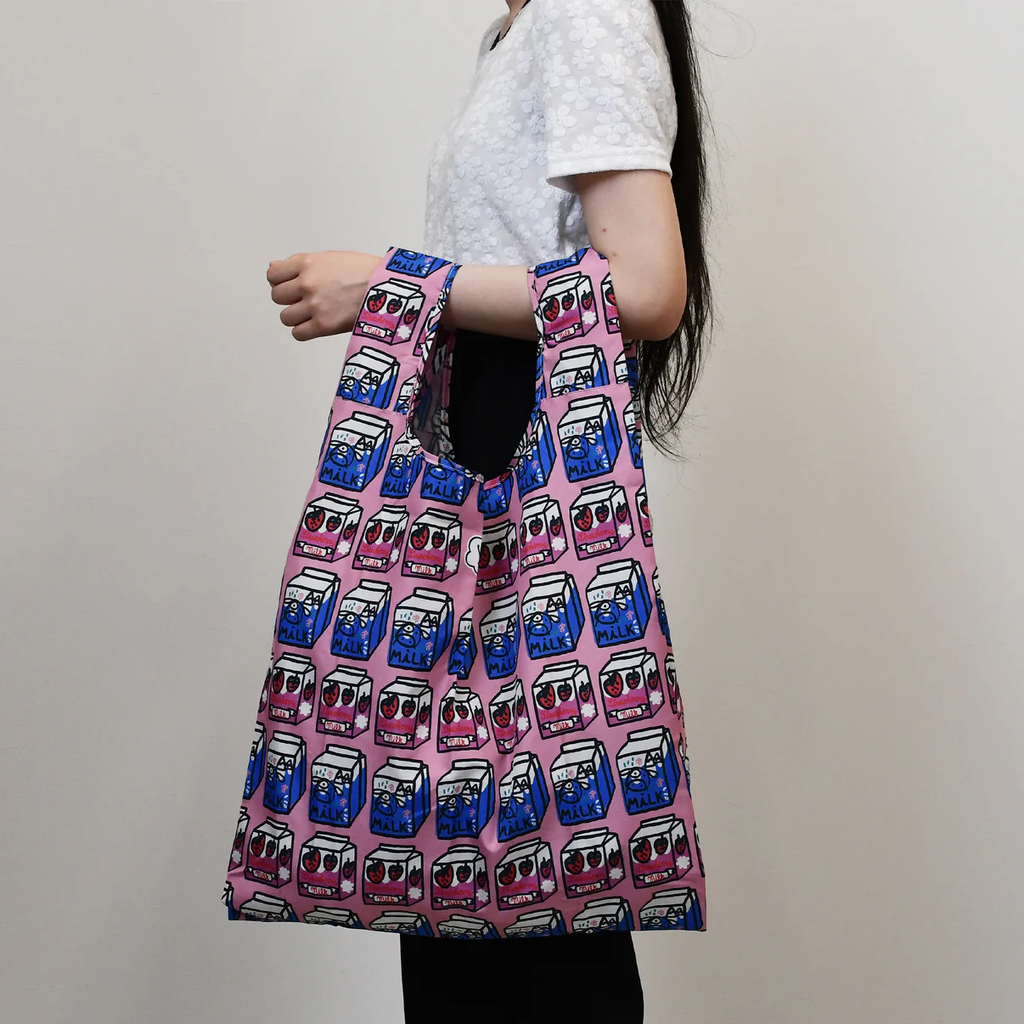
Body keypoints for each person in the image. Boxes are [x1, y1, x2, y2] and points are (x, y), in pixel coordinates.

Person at [265, 2, 715, 1020]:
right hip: (477, 434)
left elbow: (648, 288)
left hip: (513, 453)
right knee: (458, 872)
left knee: (528, 878)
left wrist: (391, 284)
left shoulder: (583, 7)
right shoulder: (516, 28)